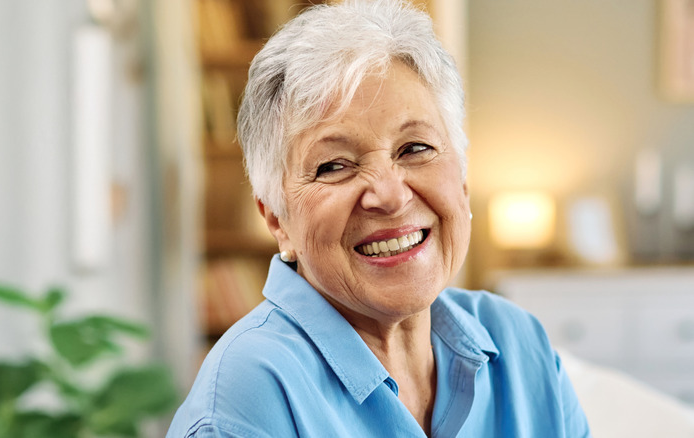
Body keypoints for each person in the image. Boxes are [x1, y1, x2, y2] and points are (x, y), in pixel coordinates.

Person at [168, 0, 591, 436]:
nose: (389, 195)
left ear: (462, 178)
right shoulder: (245, 400)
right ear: (277, 220)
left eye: (415, 149)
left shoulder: (518, 343)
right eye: (334, 165)